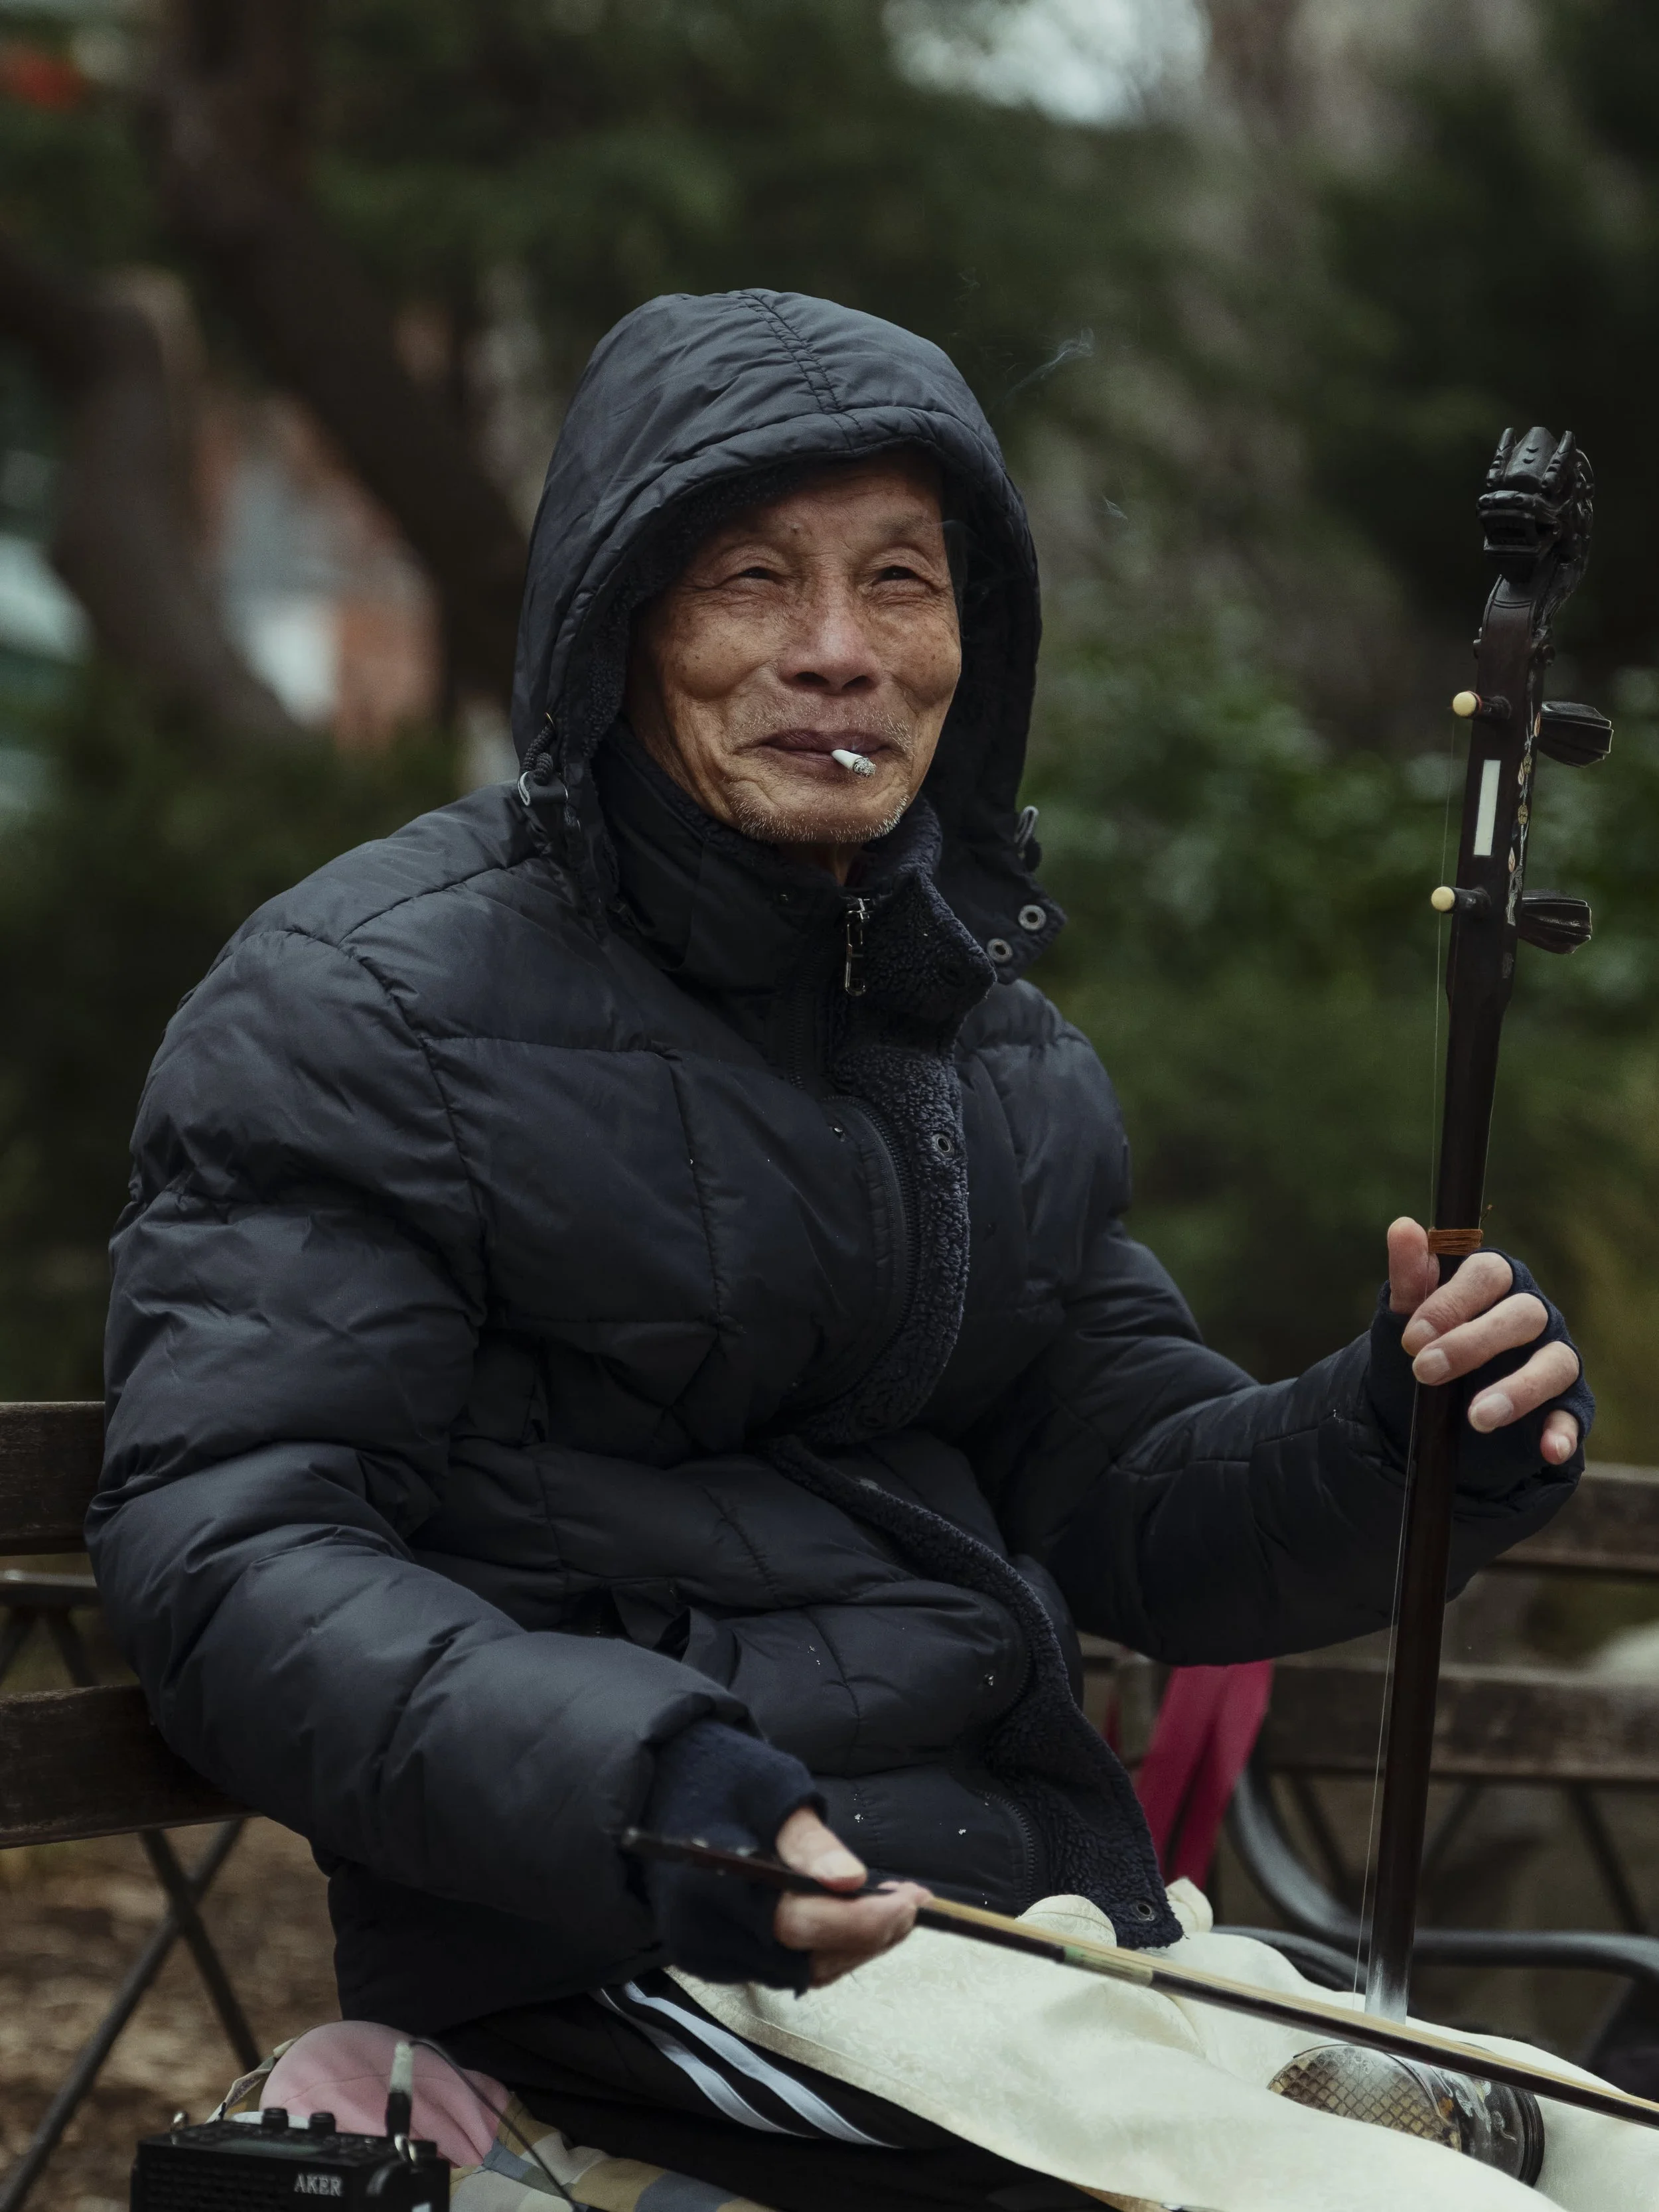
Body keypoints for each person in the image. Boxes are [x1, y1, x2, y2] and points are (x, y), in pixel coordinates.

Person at [92, 290, 1603, 2211]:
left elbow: (1131, 1491)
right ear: (619, 621)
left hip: (1039, 1934)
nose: (839, 654)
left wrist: (1402, 1440)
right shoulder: (363, 1007)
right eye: (750, 579)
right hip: (642, 1951)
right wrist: (652, 1795)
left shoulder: (980, 1038)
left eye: (901, 581)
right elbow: (231, 1555)